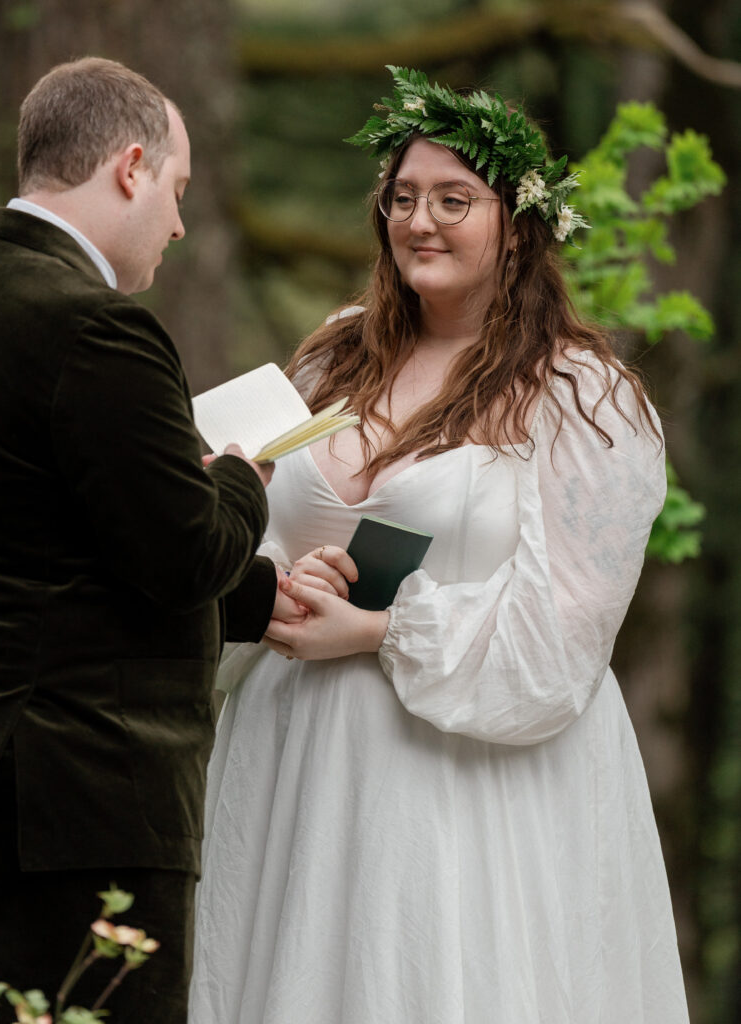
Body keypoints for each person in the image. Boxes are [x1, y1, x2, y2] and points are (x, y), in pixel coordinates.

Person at [189, 66, 690, 1023]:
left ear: (518, 223)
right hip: (299, 765)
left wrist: (378, 632)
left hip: (469, 789)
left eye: (454, 200)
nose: (421, 221)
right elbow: (265, 523)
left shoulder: (582, 400)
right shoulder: (333, 355)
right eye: (404, 198)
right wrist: (281, 584)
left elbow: (563, 645)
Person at [0, 57, 285, 1023]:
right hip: (74, 803)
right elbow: (182, 555)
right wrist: (243, 480)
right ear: (130, 166)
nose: (176, 224)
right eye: (174, 191)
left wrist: (260, 599)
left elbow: (42, 549)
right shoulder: (95, 328)